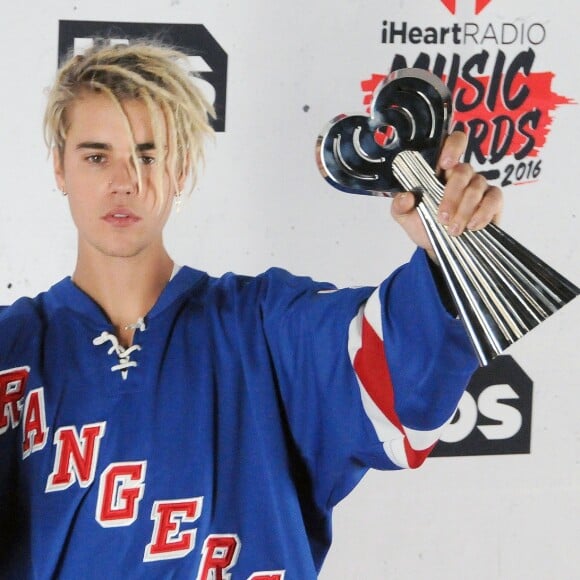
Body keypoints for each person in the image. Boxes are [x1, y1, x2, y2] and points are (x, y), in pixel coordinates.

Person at [0, 42, 502, 579]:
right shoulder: (11, 350)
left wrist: (445, 249)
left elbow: (406, 379)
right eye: (96, 156)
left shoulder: (263, 326)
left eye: (148, 155)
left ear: (181, 168)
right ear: (59, 167)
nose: (125, 181)